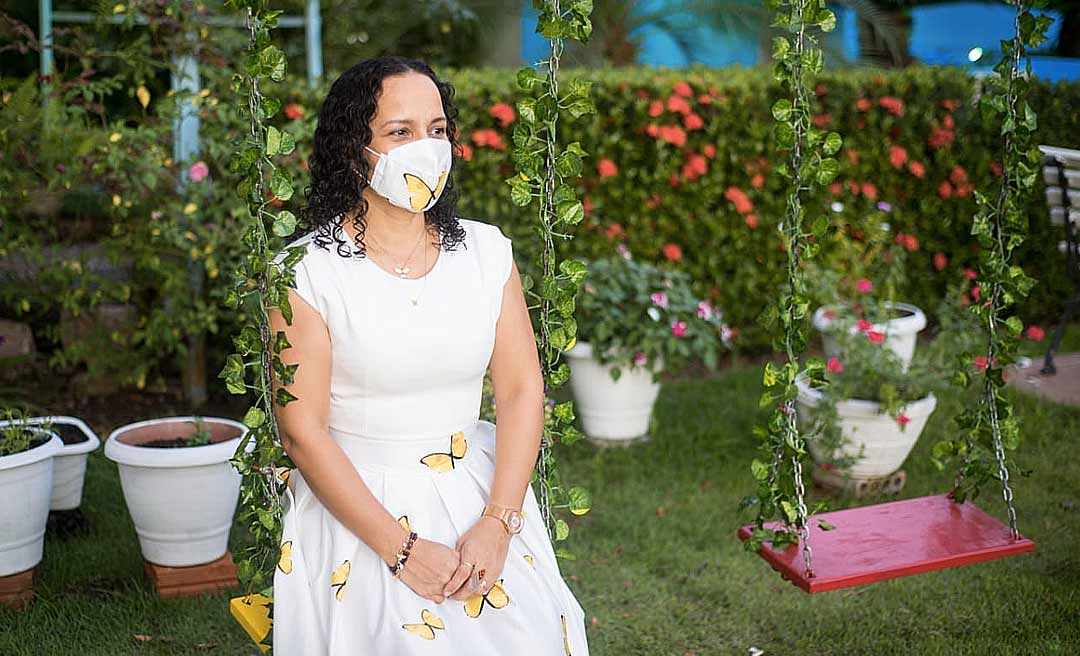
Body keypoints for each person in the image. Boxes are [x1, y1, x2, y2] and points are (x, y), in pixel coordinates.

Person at [268, 56, 589, 655]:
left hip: (479, 498)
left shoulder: (487, 254)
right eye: (400, 132)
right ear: (353, 150)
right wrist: (403, 552)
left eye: (437, 129)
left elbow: (521, 388)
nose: (426, 147)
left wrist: (498, 523)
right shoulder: (306, 273)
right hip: (358, 512)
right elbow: (302, 432)